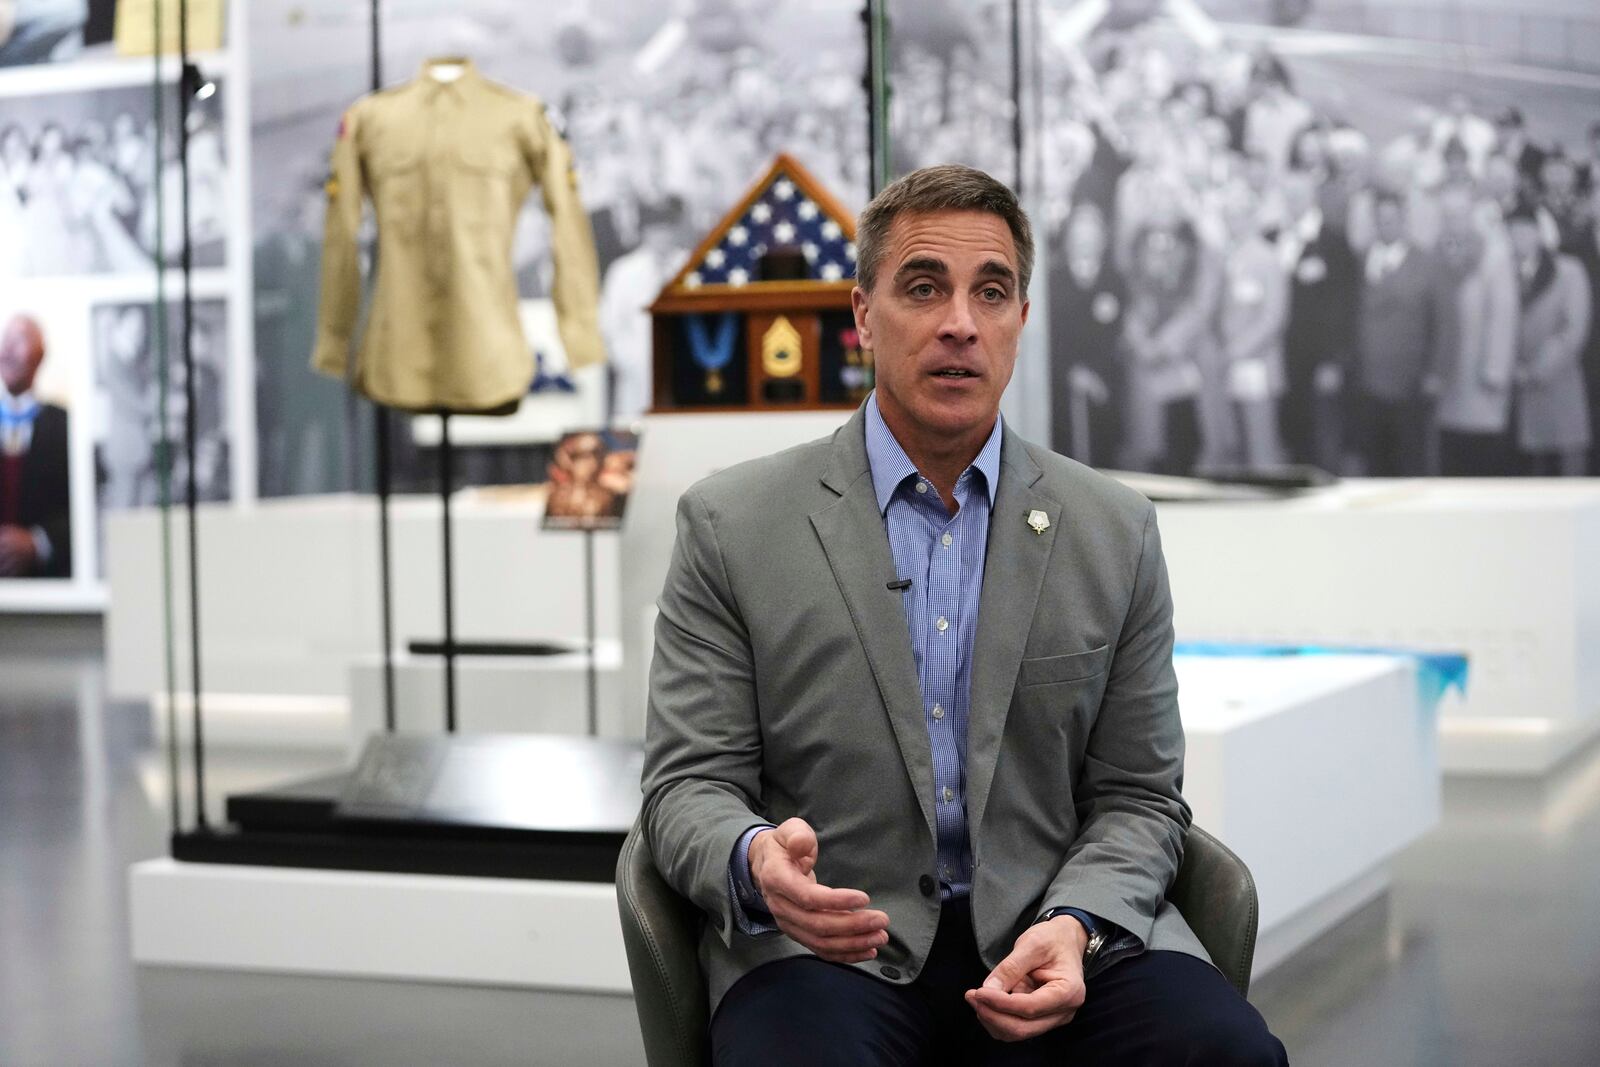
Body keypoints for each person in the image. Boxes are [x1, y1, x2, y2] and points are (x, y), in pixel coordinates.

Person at [642, 164, 1286, 1065]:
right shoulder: (731, 525)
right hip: (832, 945)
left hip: (1055, 928)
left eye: (992, 291)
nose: (959, 322)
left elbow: (1139, 794)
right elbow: (685, 786)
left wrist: (1077, 924)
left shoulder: (1115, 528)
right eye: (922, 287)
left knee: (1228, 1056)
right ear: (863, 314)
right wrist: (755, 858)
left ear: (1021, 317)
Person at [1432, 183, 1519, 476]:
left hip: (1481, 372)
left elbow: (1503, 317)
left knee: (1482, 454)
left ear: (1470, 215)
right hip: (1449, 372)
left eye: (1458, 214)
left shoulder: (1494, 255)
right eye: (1446, 214)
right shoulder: (1437, 253)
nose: (1452, 220)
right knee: (1451, 449)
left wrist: (1495, 369)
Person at [1277, 166, 1358, 472]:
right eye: (1287, 196)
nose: (1292, 201)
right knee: (1291, 439)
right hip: (1283, 358)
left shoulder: (1335, 244)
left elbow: (1345, 307)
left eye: (1298, 195)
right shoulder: (1274, 237)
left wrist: (1334, 360)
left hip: (1319, 361)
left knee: (1323, 442)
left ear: (1311, 198)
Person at [1506, 206, 1592, 475]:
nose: (1519, 237)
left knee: (1567, 477)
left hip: (1558, 387)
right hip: (1516, 396)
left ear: (1539, 233)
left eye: (1526, 230)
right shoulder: (1501, 273)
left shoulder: (1569, 271)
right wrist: (1511, 369)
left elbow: (1573, 330)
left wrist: (1535, 371)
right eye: (1513, 231)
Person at [1356, 192, 1437, 476]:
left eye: (1392, 219)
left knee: (1409, 463)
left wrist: (1432, 372)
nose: (1386, 225)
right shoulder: (1360, 258)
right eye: (1380, 219)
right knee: (1372, 464)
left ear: (1404, 220)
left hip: (1409, 382)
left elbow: (1437, 322)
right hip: (1367, 383)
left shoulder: (1425, 262)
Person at [1214, 177, 1288, 469]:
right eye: (1228, 216)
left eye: (1240, 214)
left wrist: (1236, 351)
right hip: (1229, 366)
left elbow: (1273, 317)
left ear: (1252, 216)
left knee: (1261, 451)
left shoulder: (1267, 258)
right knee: (1236, 451)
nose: (1234, 222)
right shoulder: (1225, 256)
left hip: (1257, 365)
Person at [1047, 202, 1124, 467]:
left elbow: (1117, 337)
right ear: (1068, 239)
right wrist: (1072, 372)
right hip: (1061, 384)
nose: (1085, 243)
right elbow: (1049, 337)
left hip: (1106, 384)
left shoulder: (1115, 281)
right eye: (1079, 236)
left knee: (1106, 457)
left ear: (1104, 240)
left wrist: (1096, 375)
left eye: (1092, 236)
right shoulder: (1050, 282)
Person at [0, 314, 71, 578]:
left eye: (18, 340)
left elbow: (80, 506)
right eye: (4, 341)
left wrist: (39, 543)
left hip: (47, 587)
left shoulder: (65, 426)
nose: (7, 350)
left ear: (40, 356)